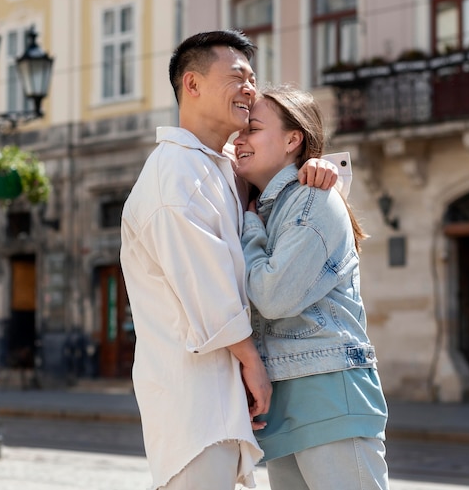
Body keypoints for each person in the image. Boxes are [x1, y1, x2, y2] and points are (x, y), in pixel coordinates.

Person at [120, 31, 340, 490]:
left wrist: (315, 167)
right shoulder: (176, 174)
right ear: (193, 85)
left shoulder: (218, 168)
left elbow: (288, 211)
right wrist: (252, 363)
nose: (250, 89)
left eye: (253, 78)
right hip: (194, 403)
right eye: (238, 76)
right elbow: (205, 286)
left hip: (220, 400)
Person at [234, 84, 390, 490]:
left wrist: (250, 227)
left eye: (252, 128)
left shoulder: (312, 200)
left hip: (328, 396)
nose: (239, 138)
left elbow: (271, 296)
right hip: (288, 403)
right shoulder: (268, 203)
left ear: (292, 139)